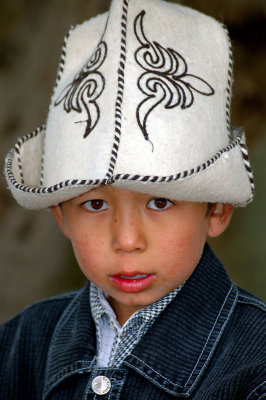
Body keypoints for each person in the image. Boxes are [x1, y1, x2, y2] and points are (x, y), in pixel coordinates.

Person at [1, 0, 265, 398]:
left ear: (217, 209)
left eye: (160, 202)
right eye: (95, 204)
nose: (126, 240)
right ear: (61, 215)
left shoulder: (255, 366)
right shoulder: (17, 345)